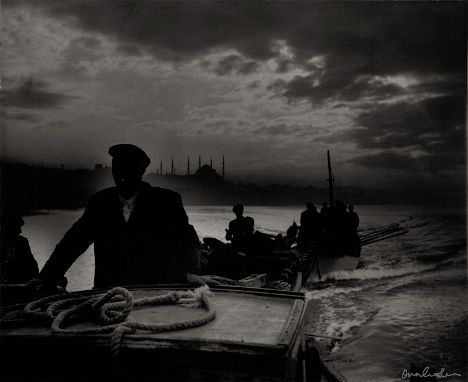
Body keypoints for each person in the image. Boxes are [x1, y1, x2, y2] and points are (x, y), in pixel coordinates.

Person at [30, 144, 201, 290]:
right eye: (116, 167)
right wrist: (46, 277)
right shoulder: (99, 203)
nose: (120, 173)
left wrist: (191, 272)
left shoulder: (166, 201)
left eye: (127, 167)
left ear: (141, 170)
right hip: (108, 295)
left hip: (156, 293)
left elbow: (186, 240)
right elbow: (73, 243)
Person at [1, 209, 39, 284]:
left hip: (23, 286)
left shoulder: (23, 242)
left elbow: (33, 267)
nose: (20, 231)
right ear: (8, 228)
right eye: (17, 227)